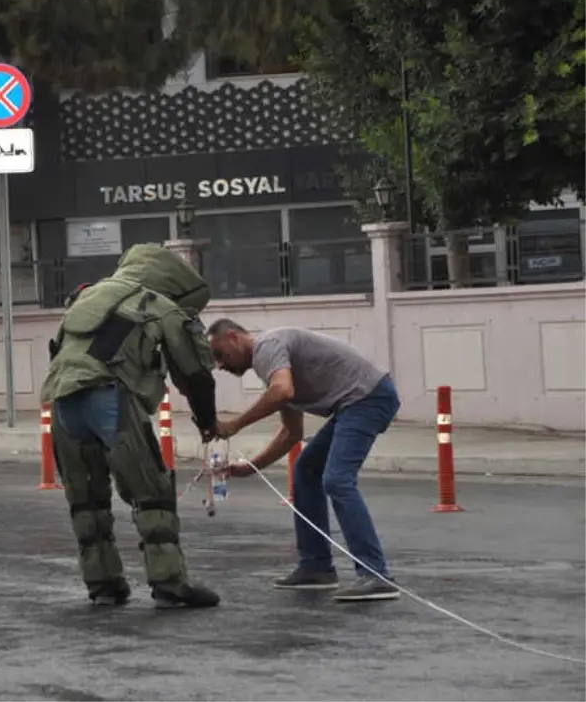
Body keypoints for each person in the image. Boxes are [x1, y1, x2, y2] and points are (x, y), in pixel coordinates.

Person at [41, 243, 221, 609]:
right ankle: (170, 583)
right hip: (109, 398)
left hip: (61, 401)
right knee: (151, 490)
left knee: (86, 498)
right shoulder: (160, 305)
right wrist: (207, 422)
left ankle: (104, 585)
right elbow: (195, 374)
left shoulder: (87, 296)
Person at [205, 319, 401, 602]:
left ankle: (376, 574)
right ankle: (316, 567)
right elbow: (291, 432)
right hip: (355, 403)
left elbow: (282, 392)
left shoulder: (267, 347)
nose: (219, 366)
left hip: (367, 398)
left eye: (219, 355)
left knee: (337, 480)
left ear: (234, 337)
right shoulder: (273, 365)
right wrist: (249, 469)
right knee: (306, 470)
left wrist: (235, 424)